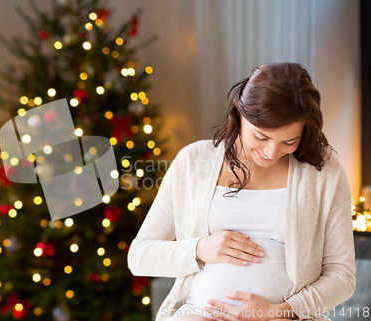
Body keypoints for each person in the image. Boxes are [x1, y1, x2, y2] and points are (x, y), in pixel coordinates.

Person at [127, 62, 356, 321]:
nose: (271, 153)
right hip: (198, 315)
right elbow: (140, 256)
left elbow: (342, 275)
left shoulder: (323, 167)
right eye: (261, 137)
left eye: (289, 141)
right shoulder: (193, 160)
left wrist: (279, 313)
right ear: (239, 114)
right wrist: (200, 248)